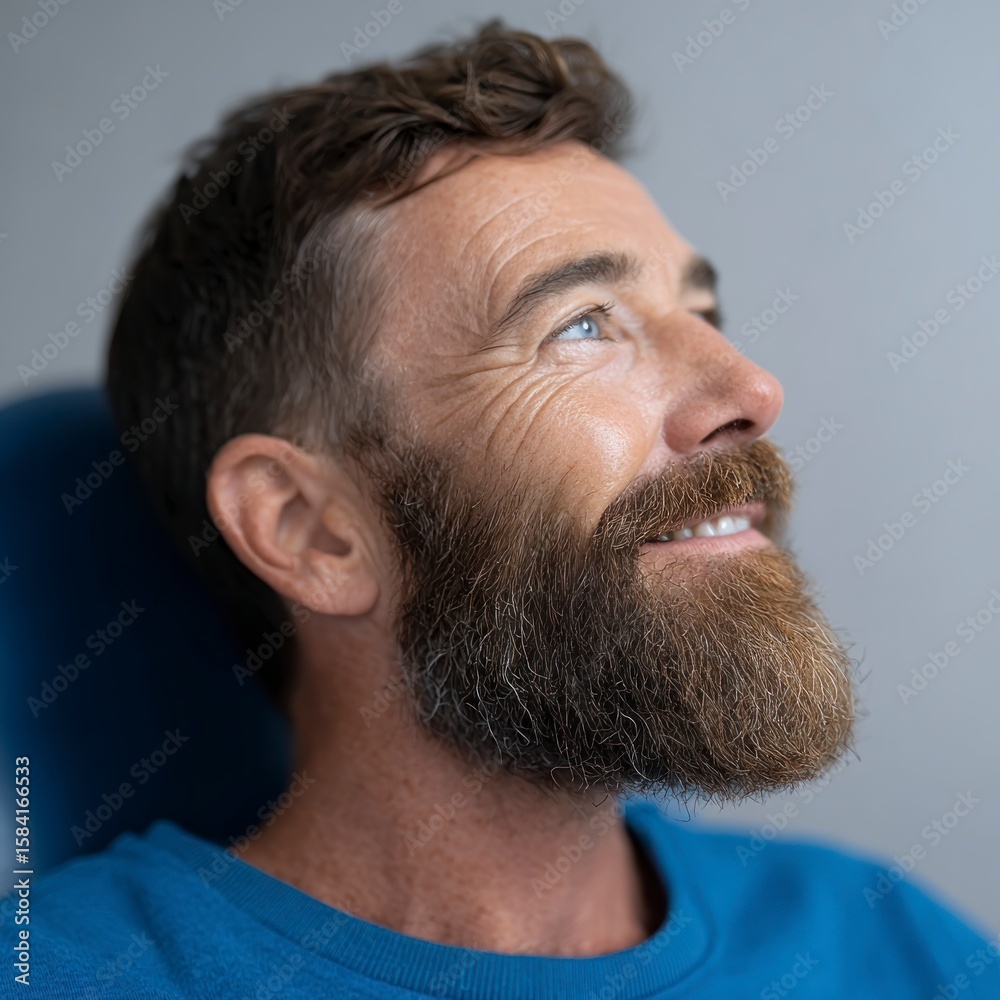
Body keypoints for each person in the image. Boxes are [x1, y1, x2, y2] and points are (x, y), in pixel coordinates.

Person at [5, 21, 998, 1000]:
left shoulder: (887, 942)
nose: (750, 387)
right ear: (312, 530)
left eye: (699, 311)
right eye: (580, 325)